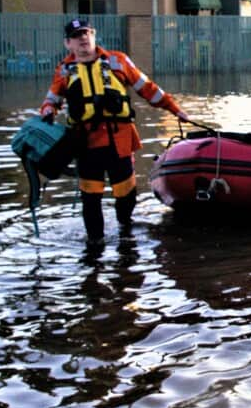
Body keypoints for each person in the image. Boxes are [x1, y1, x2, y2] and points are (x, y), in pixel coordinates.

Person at [37, 18, 188, 241]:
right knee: (91, 198)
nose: (83, 39)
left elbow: (147, 89)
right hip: (86, 144)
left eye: (86, 34)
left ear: (94, 35)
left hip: (120, 140)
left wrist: (174, 109)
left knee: (126, 194)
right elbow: (52, 100)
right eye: (77, 37)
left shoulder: (118, 61)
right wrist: (48, 110)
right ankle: (94, 247)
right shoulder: (64, 71)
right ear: (68, 43)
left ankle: (125, 232)